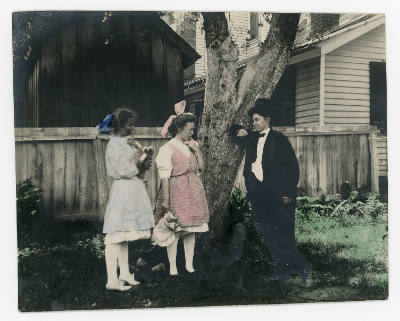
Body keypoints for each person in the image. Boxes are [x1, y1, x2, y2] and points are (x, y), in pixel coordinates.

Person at [230, 98, 311, 282]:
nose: (254, 123)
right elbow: (233, 131)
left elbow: (292, 168)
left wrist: (288, 193)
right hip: (259, 196)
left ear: (267, 119)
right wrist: (239, 130)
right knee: (267, 233)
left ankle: (294, 267)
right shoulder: (251, 138)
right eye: (252, 121)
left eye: (257, 120)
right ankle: (287, 267)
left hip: (280, 196)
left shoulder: (279, 140)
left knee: (283, 234)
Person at [102, 107, 155, 291]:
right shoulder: (115, 144)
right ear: (121, 126)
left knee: (124, 235)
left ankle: (124, 273)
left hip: (131, 189)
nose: (132, 129)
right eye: (130, 125)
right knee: (115, 235)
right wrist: (138, 155)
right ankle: (111, 280)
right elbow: (124, 169)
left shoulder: (124, 143)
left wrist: (142, 154)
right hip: (123, 192)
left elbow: (136, 169)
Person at [154, 112, 209, 277]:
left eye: (193, 129)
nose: (192, 133)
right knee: (175, 229)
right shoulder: (167, 148)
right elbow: (165, 176)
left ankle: (189, 266)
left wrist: (197, 151)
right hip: (177, 190)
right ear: (179, 129)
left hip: (193, 190)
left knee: (190, 230)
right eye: (189, 130)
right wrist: (166, 200)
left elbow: (201, 169)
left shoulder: (192, 145)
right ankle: (172, 268)